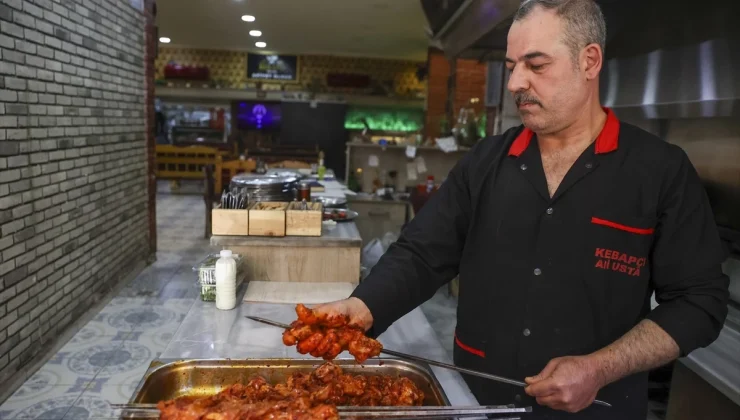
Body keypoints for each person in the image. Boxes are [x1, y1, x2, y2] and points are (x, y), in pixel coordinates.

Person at [306, 0, 730, 418]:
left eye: (536, 64)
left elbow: (700, 302)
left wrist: (601, 367)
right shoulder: (486, 161)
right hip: (475, 402)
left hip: (600, 409)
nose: (514, 83)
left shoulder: (659, 170)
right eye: (511, 66)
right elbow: (422, 253)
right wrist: (364, 307)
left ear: (590, 61)